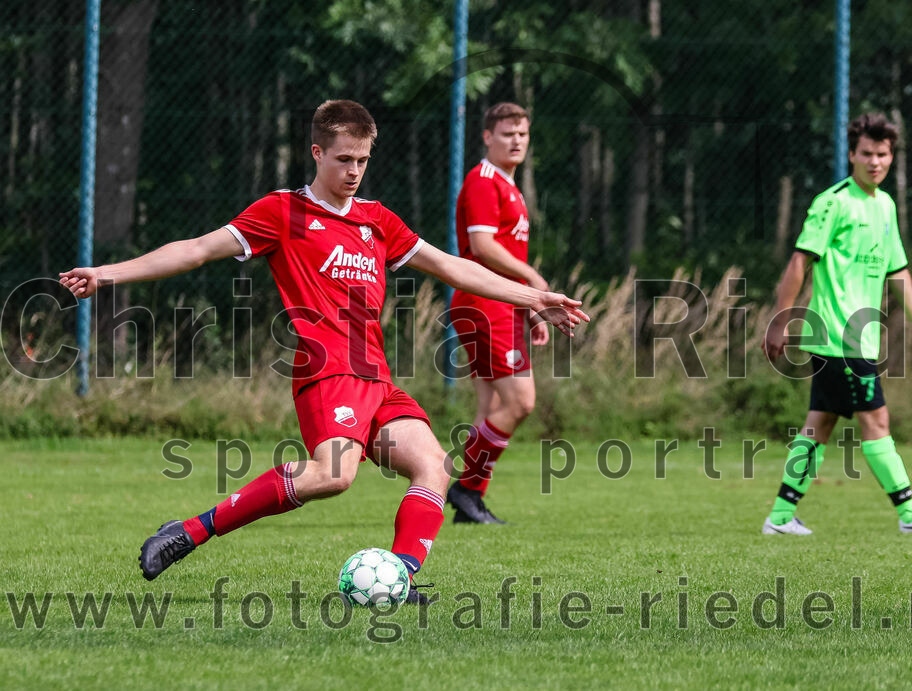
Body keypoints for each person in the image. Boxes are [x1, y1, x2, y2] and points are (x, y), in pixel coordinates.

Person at [59, 100, 589, 602]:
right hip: (327, 372)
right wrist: (107, 274)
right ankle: (190, 531)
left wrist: (535, 297)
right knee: (333, 476)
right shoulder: (283, 212)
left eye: (362, 160)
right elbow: (197, 250)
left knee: (433, 465)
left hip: (375, 378)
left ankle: (398, 577)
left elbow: (453, 266)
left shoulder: (377, 220)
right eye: (343, 160)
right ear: (317, 153)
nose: (354, 171)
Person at [760, 112, 912, 535]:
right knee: (877, 422)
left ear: (892, 158)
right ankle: (909, 513)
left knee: (819, 423)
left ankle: (780, 516)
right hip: (840, 335)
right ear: (852, 155)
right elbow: (801, 260)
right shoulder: (833, 202)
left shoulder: (885, 205)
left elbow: (899, 273)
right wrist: (780, 320)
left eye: (883, 154)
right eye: (867, 154)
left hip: (860, 338)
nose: (875, 162)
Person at [446, 103, 547, 524]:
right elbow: (483, 246)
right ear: (487, 137)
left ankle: (461, 499)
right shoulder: (483, 180)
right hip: (485, 305)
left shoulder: (509, 185)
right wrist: (535, 282)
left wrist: (531, 308)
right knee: (521, 401)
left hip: (500, 305)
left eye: (522, 134)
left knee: (489, 409)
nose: (516, 141)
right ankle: (463, 488)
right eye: (507, 134)